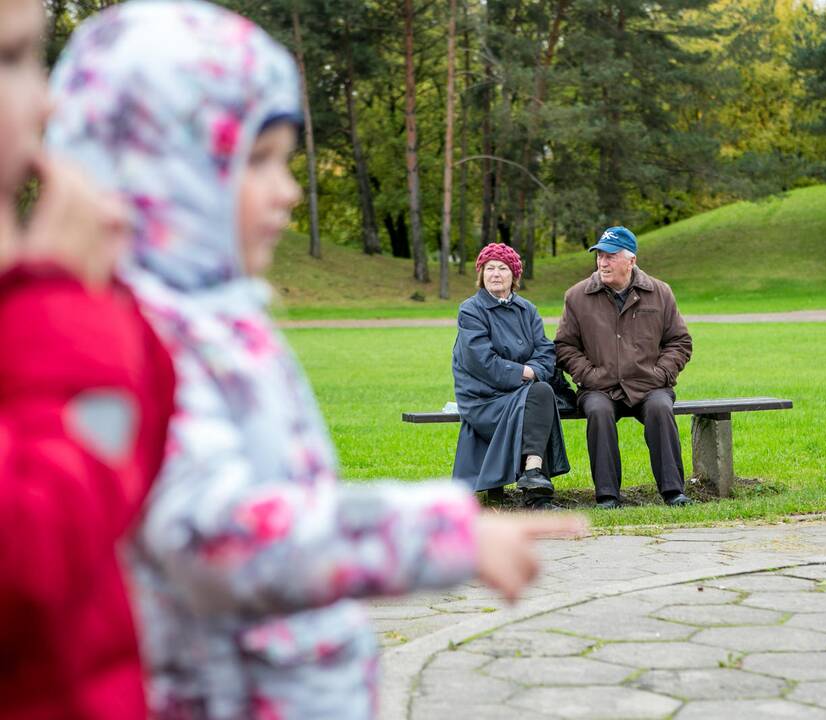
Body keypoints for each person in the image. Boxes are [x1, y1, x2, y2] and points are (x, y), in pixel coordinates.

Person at [46, 3, 584, 717]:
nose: (289, 191)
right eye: (256, 161)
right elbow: (216, 536)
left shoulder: (224, 323)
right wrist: (436, 532)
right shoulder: (134, 343)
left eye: (287, 161)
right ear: (163, 165)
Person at [0, 0, 176, 717]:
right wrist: (60, 311)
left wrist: (94, 304)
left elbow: (124, 463)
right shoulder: (47, 313)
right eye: (9, 59)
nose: (44, 99)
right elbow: (30, 558)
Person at [555, 226, 693, 509]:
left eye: (611, 256)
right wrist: (589, 376)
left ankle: (673, 492)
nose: (603, 262)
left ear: (631, 261)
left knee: (660, 408)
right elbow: (564, 346)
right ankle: (607, 496)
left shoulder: (660, 292)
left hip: (649, 384)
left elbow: (679, 342)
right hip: (599, 387)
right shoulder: (577, 296)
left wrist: (661, 374)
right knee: (598, 411)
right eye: (600, 256)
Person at [452, 243, 570, 509]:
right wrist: (526, 372)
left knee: (539, 394)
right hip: (484, 397)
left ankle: (533, 473)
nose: (495, 274)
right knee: (539, 394)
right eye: (489, 268)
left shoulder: (527, 309)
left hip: (522, 393)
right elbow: (482, 362)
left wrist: (533, 371)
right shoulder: (471, 310)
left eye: (502, 268)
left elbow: (545, 351)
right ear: (480, 275)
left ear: (514, 275)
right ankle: (536, 487)